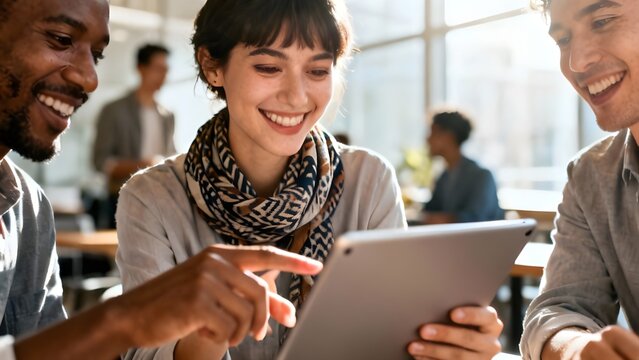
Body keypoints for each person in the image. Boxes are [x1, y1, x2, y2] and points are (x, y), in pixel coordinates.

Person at [115, 0, 504, 359]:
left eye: (318, 71)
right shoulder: (152, 198)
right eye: (268, 67)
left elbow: (390, 342)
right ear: (212, 66)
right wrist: (209, 333)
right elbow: (144, 353)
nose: (297, 96)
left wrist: (442, 345)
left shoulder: (368, 181)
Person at [0, 0, 326, 359]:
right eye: (61, 39)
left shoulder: (28, 208)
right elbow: (101, 161)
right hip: (114, 193)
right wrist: (119, 321)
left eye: (97, 55)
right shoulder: (124, 134)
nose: (90, 78)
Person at [521, 0, 639, 359]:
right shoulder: (592, 174)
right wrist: (579, 350)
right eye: (562, 40)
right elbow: (558, 309)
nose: (576, 62)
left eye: (603, 21)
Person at [93, 43, 176, 228]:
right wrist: (145, 164)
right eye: (158, 69)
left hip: (160, 203)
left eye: (166, 70)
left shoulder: (167, 116)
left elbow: (171, 155)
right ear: (140, 68)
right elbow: (100, 162)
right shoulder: (113, 110)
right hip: (120, 200)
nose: (163, 76)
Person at [421, 110, 503, 224]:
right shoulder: (444, 177)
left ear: (448, 137)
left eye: (433, 133)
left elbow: (477, 219)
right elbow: (428, 211)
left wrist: (444, 219)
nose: (428, 139)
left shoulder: (482, 176)